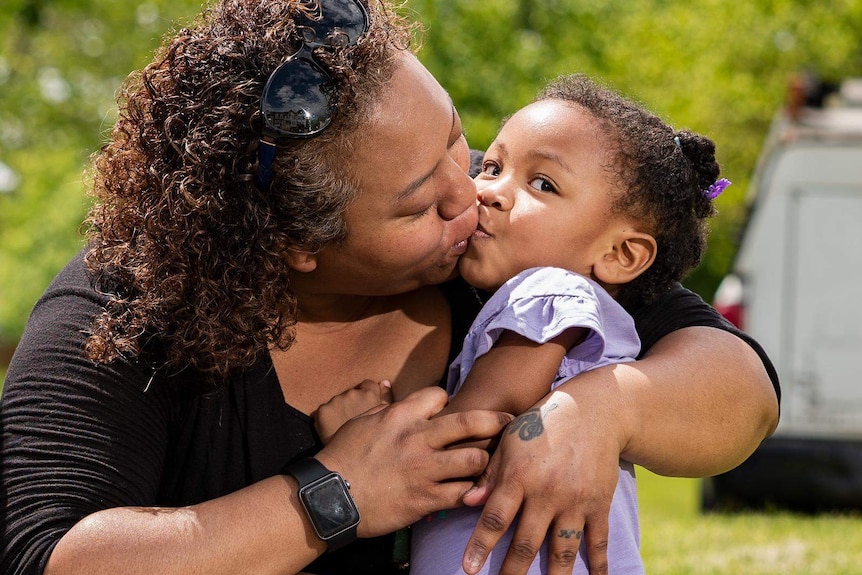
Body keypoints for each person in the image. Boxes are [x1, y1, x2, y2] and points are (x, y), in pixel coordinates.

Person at [0, 1, 779, 575]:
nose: (471, 194)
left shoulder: (502, 259)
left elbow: (743, 389)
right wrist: (334, 494)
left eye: (456, 140)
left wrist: (608, 407)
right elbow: (50, 554)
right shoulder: (130, 304)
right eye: (419, 202)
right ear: (295, 244)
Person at [316, 73, 733, 575]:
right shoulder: (549, 309)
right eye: (492, 166)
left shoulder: (547, 296)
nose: (490, 191)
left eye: (543, 184)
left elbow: (463, 437)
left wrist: (364, 435)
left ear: (621, 254)